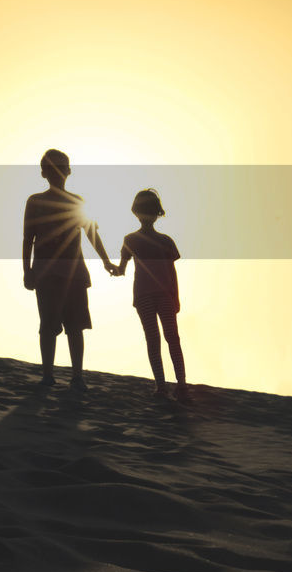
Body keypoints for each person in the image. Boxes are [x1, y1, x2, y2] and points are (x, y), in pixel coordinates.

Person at [23, 149, 117, 390]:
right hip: (47, 272)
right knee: (50, 325)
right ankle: (49, 374)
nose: (58, 172)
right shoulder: (35, 201)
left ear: (68, 172)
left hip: (72, 273)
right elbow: (28, 238)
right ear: (44, 173)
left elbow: (91, 234)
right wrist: (27, 270)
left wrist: (106, 261)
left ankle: (76, 376)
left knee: (74, 326)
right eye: (53, 168)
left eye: (61, 167)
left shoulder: (76, 201)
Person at [114, 188, 189, 401]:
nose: (148, 215)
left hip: (160, 294)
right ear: (138, 213)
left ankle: (179, 384)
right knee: (157, 338)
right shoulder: (132, 240)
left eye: (150, 211)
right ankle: (163, 385)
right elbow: (122, 268)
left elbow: (171, 272)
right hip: (147, 295)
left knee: (168, 337)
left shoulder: (165, 241)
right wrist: (112, 267)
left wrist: (175, 297)